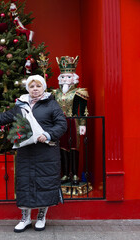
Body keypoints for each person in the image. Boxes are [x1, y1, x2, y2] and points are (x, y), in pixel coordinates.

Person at [0, 75, 67, 232]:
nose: (35, 89)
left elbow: (61, 125)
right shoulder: (21, 105)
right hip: (26, 150)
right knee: (25, 183)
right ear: (27, 89)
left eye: (38, 86)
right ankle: (25, 218)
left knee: (44, 183)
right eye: (32, 86)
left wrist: (48, 135)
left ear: (43, 88)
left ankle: (41, 217)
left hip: (46, 151)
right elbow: (5, 117)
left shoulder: (52, 105)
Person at [53, 56, 89, 185]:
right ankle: (64, 174)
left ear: (73, 78)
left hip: (73, 122)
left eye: (68, 77)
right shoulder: (56, 93)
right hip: (60, 123)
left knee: (74, 148)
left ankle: (74, 174)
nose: (65, 79)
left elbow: (84, 110)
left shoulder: (79, 92)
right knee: (62, 148)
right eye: (63, 77)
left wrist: (83, 124)